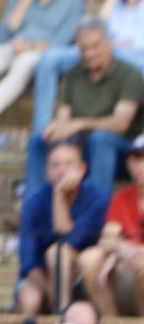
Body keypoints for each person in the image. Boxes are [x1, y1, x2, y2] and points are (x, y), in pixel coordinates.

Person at [25, 20, 144, 198]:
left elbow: (120, 124)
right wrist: (56, 128)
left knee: (100, 139)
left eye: (95, 46)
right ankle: (33, 207)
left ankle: (98, 208)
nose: (89, 54)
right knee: (38, 140)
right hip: (83, 148)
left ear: (109, 44)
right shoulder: (74, 75)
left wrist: (79, 124)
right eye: (84, 48)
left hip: (123, 152)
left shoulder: (129, 75)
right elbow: (64, 117)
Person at [17, 142, 109, 314]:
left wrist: (58, 196)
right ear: (47, 172)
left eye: (68, 164)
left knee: (58, 253)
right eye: (55, 165)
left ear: (82, 169)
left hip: (86, 274)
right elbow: (28, 260)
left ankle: (64, 314)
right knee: (29, 296)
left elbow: (69, 239)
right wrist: (49, 288)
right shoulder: (33, 203)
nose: (62, 170)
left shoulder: (97, 199)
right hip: (46, 277)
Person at [31, 0, 144, 135]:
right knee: (49, 59)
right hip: (99, 46)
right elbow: (98, 28)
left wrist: (116, 44)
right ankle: (43, 129)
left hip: (132, 55)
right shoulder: (116, 5)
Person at [78, 134, 144, 315]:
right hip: (128, 269)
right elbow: (107, 239)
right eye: (136, 160)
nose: (140, 166)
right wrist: (121, 248)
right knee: (89, 258)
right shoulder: (122, 197)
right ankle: (111, 323)